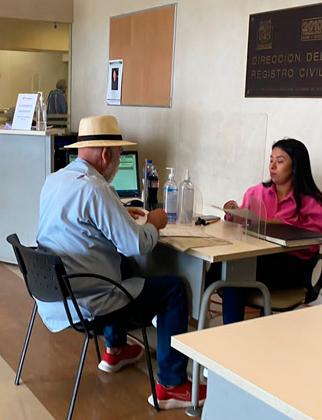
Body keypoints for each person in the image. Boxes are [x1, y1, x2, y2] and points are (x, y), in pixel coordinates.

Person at [36, 115, 206, 410]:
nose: (118, 161)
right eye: (118, 154)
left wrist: (118, 215)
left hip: (55, 293)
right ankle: (172, 384)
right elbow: (136, 245)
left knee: (122, 266)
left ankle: (116, 349)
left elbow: (80, 225)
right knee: (174, 289)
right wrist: (155, 222)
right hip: (88, 300)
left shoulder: (55, 180)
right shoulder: (96, 189)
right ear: (106, 154)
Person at [217, 138, 322, 323]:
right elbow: (241, 223)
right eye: (271, 160)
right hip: (255, 258)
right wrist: (233, 212)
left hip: (291, 266)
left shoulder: (314, 202)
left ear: (295, 166)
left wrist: (281, 225)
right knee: (227, 270)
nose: (272, 166)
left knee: (234, 272)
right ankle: (228, 333)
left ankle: (239, 333)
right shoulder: (256, 192)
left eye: (280, 161)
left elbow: (315, 239)